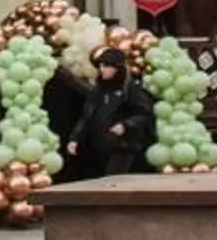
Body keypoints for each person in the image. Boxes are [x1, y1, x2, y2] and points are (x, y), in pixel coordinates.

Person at [62, 45, 151, 179]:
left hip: (123, 146)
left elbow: (144, 114)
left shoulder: (130, 90)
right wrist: (74, 139)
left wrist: (126, 125)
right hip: (100, 146)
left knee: (114, 179)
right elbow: (86, 117)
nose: (102, 70)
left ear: (117, 68)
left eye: (107, 66)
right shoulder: (98, 91)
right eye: (101, 66)